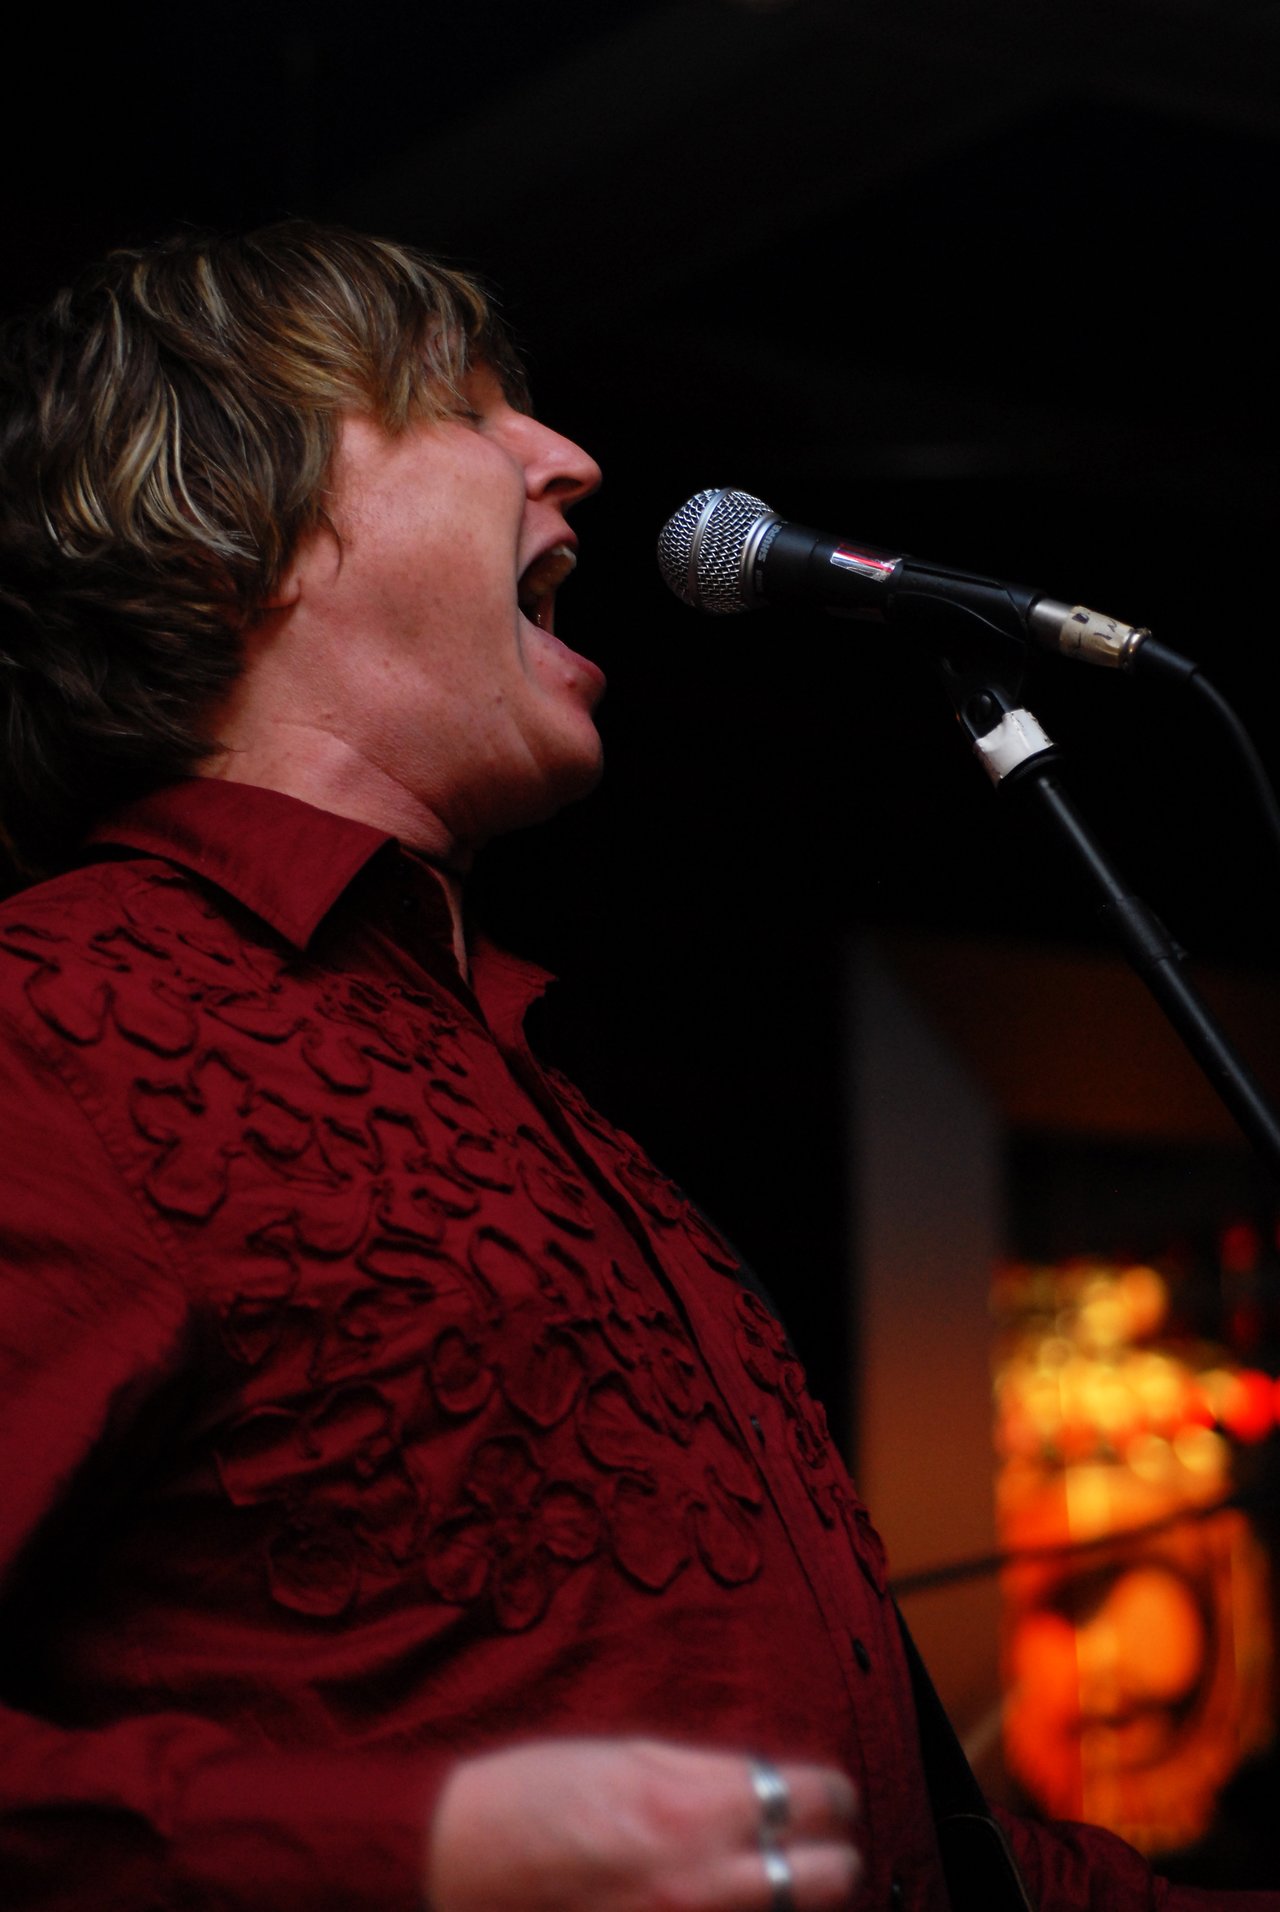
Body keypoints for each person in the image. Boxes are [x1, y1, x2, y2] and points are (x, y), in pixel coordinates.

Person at [0, 221, 1272, 1912]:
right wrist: (429, 1857)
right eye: (462, 409)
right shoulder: (54, 1026)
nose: (569, 457)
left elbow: (907, 1856)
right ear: (236, 531)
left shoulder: (538, 1092)